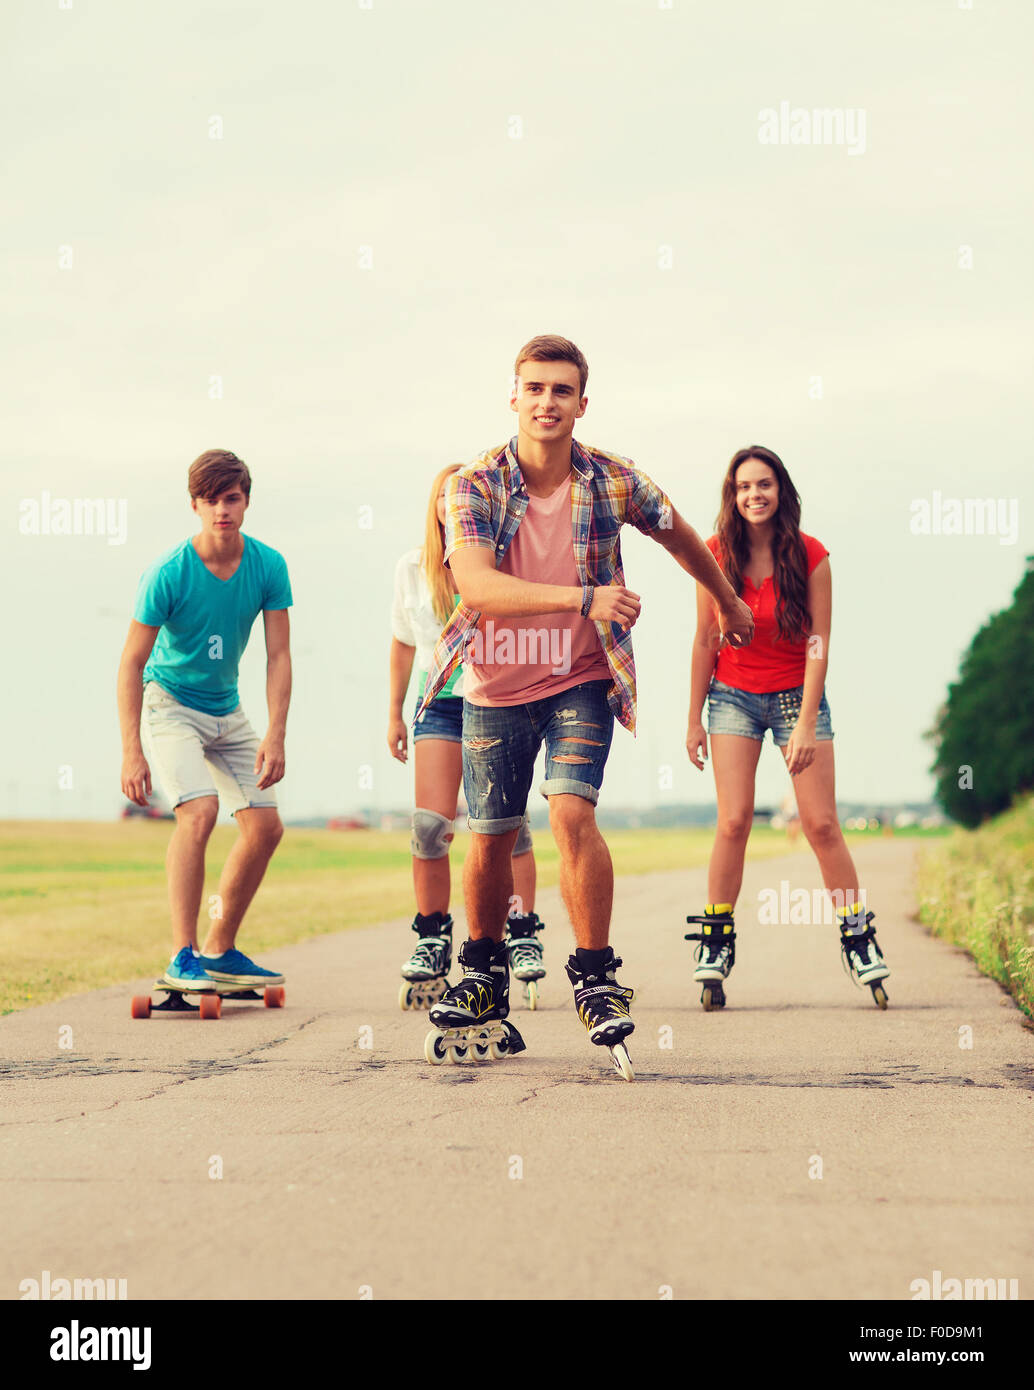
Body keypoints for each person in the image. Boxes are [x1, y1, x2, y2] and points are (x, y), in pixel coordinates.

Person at [415, 334, 755, 1078]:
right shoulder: (470, 484)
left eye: (561, 390)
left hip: (581, 676)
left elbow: (681, 536)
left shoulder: (613, 479)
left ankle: (596, 972)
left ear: (581, 403)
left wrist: (727, 600)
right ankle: (481, 968)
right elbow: (476, 586)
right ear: (513, 396)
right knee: (491, 837)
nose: (546, 402)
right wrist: (584, 597)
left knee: (571, 812)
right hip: (494, 682)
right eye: (533, 388)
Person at [685, 445, 891, 1010]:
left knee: (822, 823)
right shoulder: (713, 554)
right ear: (733, 494)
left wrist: (803, 723)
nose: (755, 495)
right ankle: (716, 938)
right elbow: (705, 640)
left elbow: (819, 644)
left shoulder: (811, 554)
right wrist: (693, 720)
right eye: (744, 486)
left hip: (798, 697)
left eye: (765, 485)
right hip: (732, 698)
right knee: (733, 821)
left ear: (781, 492)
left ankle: (857, 936)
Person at [117, 449, 291, 995]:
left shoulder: (268, 565)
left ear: (246, 502)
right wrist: (131, 750)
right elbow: (131, 663)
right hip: (169, 706)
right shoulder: (168, 573)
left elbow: (279, 656)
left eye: (232, 498)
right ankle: (182, 954)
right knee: (200, 812)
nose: (222, 509)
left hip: (227, 709)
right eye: (211, 500)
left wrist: (275, 732)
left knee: (265, 827)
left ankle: (220, 947)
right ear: (195, 505)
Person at [388, 465, 545, 1011]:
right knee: (430, 827)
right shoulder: (411, 568)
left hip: (498, 699)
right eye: (446, 499)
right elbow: (403, 644)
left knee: (508, 824)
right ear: (437, 507)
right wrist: (393, 713)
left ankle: (521, 928)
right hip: (438, 706)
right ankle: (432, 935)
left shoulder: (502, 561)